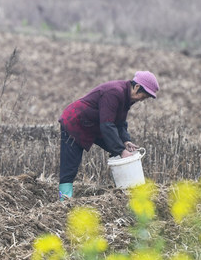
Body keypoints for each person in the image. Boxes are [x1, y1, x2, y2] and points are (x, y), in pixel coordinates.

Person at [58, 71, 159, 200]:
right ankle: (64, 200)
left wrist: (125, 141)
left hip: (93, 124)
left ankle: (127, 192)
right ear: (137, 87)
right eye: (143, 96)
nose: (141, 100)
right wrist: (120, 150)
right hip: (75, 122)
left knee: (122, 151)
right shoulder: (114, 92)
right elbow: (107, 125)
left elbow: (120, 122)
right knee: (70, 165)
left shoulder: (127, 97)